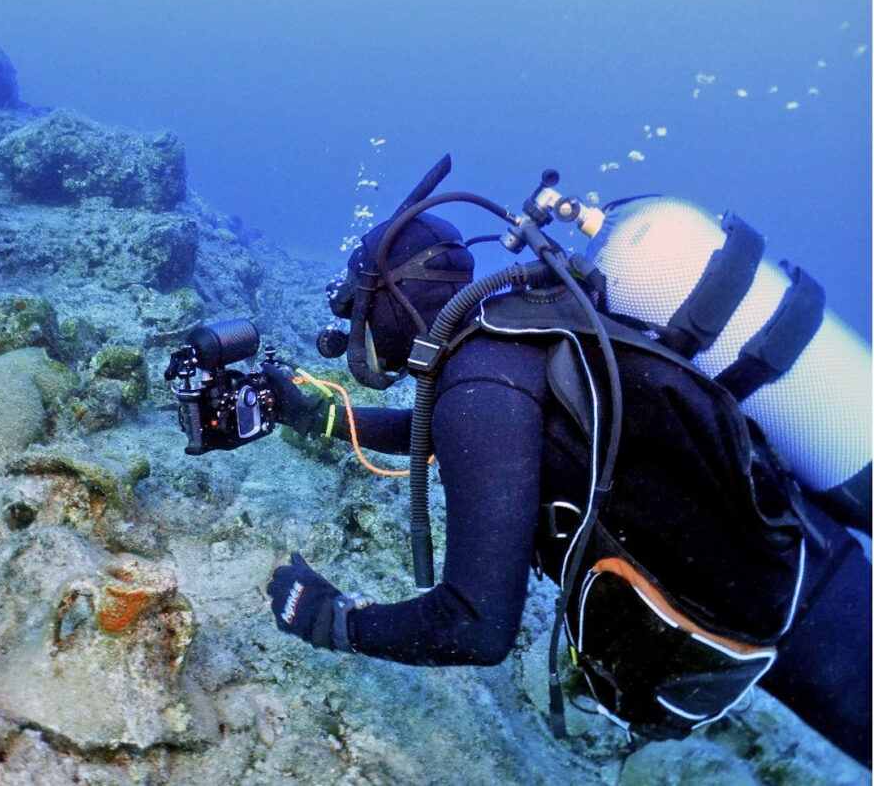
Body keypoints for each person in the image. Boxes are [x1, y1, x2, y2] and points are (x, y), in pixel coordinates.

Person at [261, 158, 872, 765]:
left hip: (807, 618)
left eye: (360, 309)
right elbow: (449, 434)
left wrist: (331, 619)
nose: (357, 330)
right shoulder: (509, 339)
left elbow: (475, 625)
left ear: (394, 298)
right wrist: (318, 415)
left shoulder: (478, 386)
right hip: (802, 562)